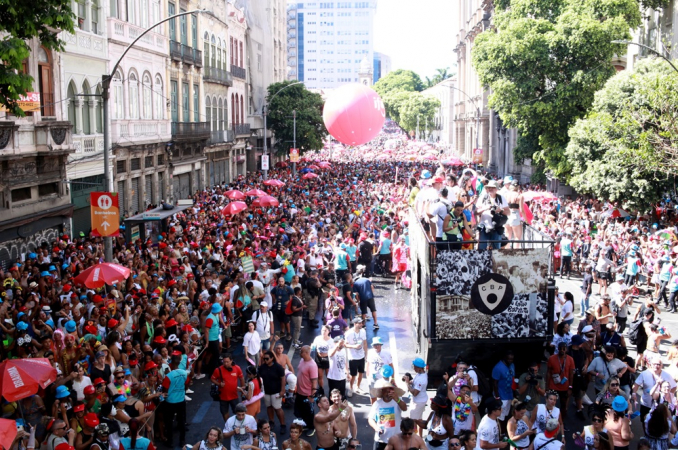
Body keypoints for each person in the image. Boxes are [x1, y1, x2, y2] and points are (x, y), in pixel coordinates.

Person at [633, 355, 677, 423]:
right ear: (650, 365)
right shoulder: (645, 374)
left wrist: (668, 395)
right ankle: (646, 433)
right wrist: (634, 393)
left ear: (662, 365)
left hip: (660, 406)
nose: (656, 366)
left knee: (659, 423)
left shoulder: (667, 375)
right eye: (654, 364)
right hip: (646, 403)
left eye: (658, 364)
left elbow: (674, 386)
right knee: (645, 421)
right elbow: (636, 384)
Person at [161, 354, 191, 447]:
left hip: (170, 402)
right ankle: (182, 441)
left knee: (169, 422)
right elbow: (186, 386)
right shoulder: (185, 373)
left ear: (171, 363)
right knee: (181, 421)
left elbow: (165, 390)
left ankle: (170, 441)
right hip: (181, 400)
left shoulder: (168, 376)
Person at [369, 379, 408, 450]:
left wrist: (397, 399)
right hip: (381, 440)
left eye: (389, 391)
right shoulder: (377, 404)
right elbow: (370, 419)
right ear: (382, 392)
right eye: (386, 391)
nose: (388, 393)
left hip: (396, 439)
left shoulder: (397, 401)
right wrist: (376, 428)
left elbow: (405, 408)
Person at [259, 350, 287, 435]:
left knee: (278, 408)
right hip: (266, 392)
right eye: (264, 359)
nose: (265, 360)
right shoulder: (262, 367)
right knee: (269, 407)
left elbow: (283, 378)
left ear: (272, 358)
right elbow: (259, 378)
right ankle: (271, 422)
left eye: (267, 358)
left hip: (276, 392)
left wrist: (282, 390)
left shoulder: (278, 367)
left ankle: (283, 425)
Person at [475, 180, 509, 250]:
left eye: (492, 188)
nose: (490, 189)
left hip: (496, 227)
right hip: (484, 227)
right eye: (489, 188)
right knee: (482, 249)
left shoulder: (501, 198)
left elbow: (508, 212)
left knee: (496, 250)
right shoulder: (483, 198)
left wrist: (500, 210)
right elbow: (476, 212)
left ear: (496, 189)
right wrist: (484, 208)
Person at [211, 354, 245, 422]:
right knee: (224, 413)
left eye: (227, 362)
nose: (225, 364)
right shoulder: (218, 370)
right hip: (223, 397)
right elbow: (212, 379)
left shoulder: (237, 368)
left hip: (234, 396)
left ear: (231, 361)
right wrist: (219, 384)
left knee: (238, 412)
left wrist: (242, 389)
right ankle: (228, 426)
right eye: (224, 362)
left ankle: (238, 425)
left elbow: (241, 378)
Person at [295, 346, 319, 436]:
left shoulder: (312, 365)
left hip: (307, 394)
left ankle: (311, 427)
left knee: (309, 412)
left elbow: (314, 381)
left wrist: (312, 396)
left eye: (301, 352)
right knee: (300, 411)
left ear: (306, 353)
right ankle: (305, 424)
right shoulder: (302, 360)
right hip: (300, 392)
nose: (300, 353)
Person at [344, 317, 368, 396]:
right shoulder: (349, 333)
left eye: (362, 323)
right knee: (353, 375)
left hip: (361, 356)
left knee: (361, 372)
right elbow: (345, 344)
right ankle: (350, 388)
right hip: (353, 357)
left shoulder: (363, 331)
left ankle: (357, 387)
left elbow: (364, 343)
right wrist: (354, 346)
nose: (361, 324)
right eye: (360, 323)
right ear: (355, 324)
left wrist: (366, 354)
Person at [367, 337, 394, 404]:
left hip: (384, 378)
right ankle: (374, 410)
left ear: (381, 345)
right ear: (373, 345)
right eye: (375, 345)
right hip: (373, 378)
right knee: (373, 396)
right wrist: (368, 376)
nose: (377, 346)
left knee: (384, 396)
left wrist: (393, 377)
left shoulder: (387, 353)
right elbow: (368, 364)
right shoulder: (370, 352)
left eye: (378, 344)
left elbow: (391, 366)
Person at [491, 351, 515, 423]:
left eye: (512, 359)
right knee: (500, 416)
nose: (510, 361)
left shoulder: (512, 365)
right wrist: (497, 397)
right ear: (504, 358)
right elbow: (494, 383)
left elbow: (513, 378)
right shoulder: (498, 367)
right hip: (501, 395)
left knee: (507, 414)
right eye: (508, 359)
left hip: (509, 394)